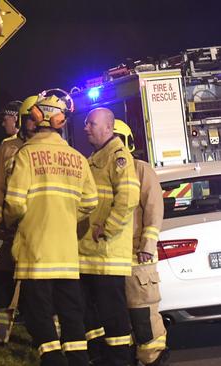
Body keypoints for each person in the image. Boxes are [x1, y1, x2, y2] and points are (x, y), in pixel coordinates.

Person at [3, 91, 98, 366]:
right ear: (61, 120)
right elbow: (90, 202)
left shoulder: (26, 154)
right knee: (71, 312)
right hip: (67, 254)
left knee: (39, 313)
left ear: (35, 116)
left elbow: (15, 203)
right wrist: (68, 216)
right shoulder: (77, 158)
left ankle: (53, 360)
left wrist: (12, 222)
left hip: (35, 252)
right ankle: (79, 360)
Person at [80, 108, 140, 366]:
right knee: (89, 313)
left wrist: (108, 228)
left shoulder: (118, 158)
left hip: (107, 254)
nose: (86, 128)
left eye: (91, 124)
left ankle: (119, 360)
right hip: (91, 255)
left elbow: (128, 199)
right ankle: (100, 357)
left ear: (108, 127)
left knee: (113, 316)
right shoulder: (96, 158)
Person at [0, 96, 36, 346]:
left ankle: (47, 337)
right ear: (22, 121)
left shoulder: (52, 148)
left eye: (38, 119)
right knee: (2, 278)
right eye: (31, 120)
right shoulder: (8, 148)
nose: (35, 124)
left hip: (42, 231)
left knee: (43, 288)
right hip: (13, 230)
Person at [114, 120, 169, 366]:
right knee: (119, 319)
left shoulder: (140, 169)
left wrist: (147, 245)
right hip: (111, 258)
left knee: (144, 317)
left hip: (138, 258)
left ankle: (152, 359)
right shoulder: (101, 170)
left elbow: (154, 208)